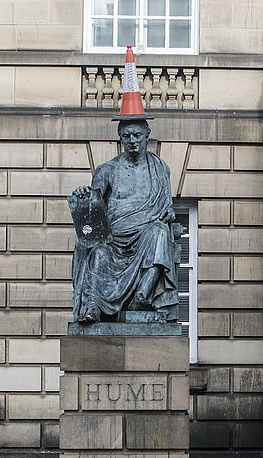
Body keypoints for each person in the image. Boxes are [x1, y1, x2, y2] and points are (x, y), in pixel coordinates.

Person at [69, 118, 181, 323]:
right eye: (127, 136)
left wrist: (169, 214)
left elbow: (166, 207)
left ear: (147, 136)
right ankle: (93, 308)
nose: (132, 140)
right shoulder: (106, 170)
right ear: (120, 138)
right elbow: (93, 207)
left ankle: (143, 294)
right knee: (99, 254)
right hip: (114, 242)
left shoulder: (159, 168)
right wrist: (83, 195)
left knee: (160, 232)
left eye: (137, 135)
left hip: (145, 238)